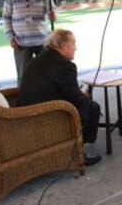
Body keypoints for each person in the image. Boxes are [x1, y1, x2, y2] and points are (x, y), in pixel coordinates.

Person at [18, 29, 102, 166]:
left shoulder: (40, 58)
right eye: (73, 44)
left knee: (85, 103)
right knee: (92, 107)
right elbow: (76, 99)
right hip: (45, 114)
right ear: (64, 46)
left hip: (28, 110)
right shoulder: (66, 66)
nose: (76, 48)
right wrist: (85, 97)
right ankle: (77, 152)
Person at [2, 0, 55, 86]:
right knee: (23, 76)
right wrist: (10, 38)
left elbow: (52, 10)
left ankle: (48, 101)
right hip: (21, 42)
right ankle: (24, 103)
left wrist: (52, 14)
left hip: (42, 40)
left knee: (47, 73)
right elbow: (6, 17)